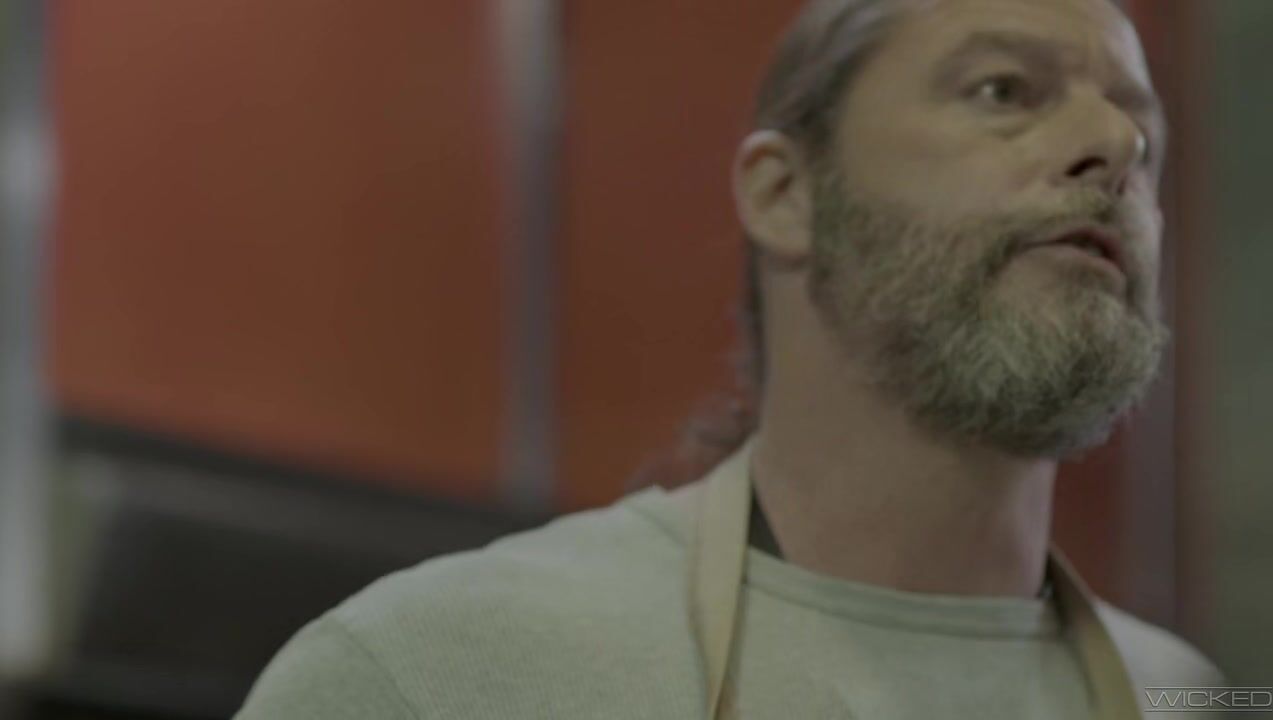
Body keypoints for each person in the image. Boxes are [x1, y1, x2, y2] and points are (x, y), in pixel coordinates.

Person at [235, 0, 1224, 717]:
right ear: (785, 195)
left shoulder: (1194, 699)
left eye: (1143, 133)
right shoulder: (434, 673)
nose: (1113, 144)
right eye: (1001, 90)